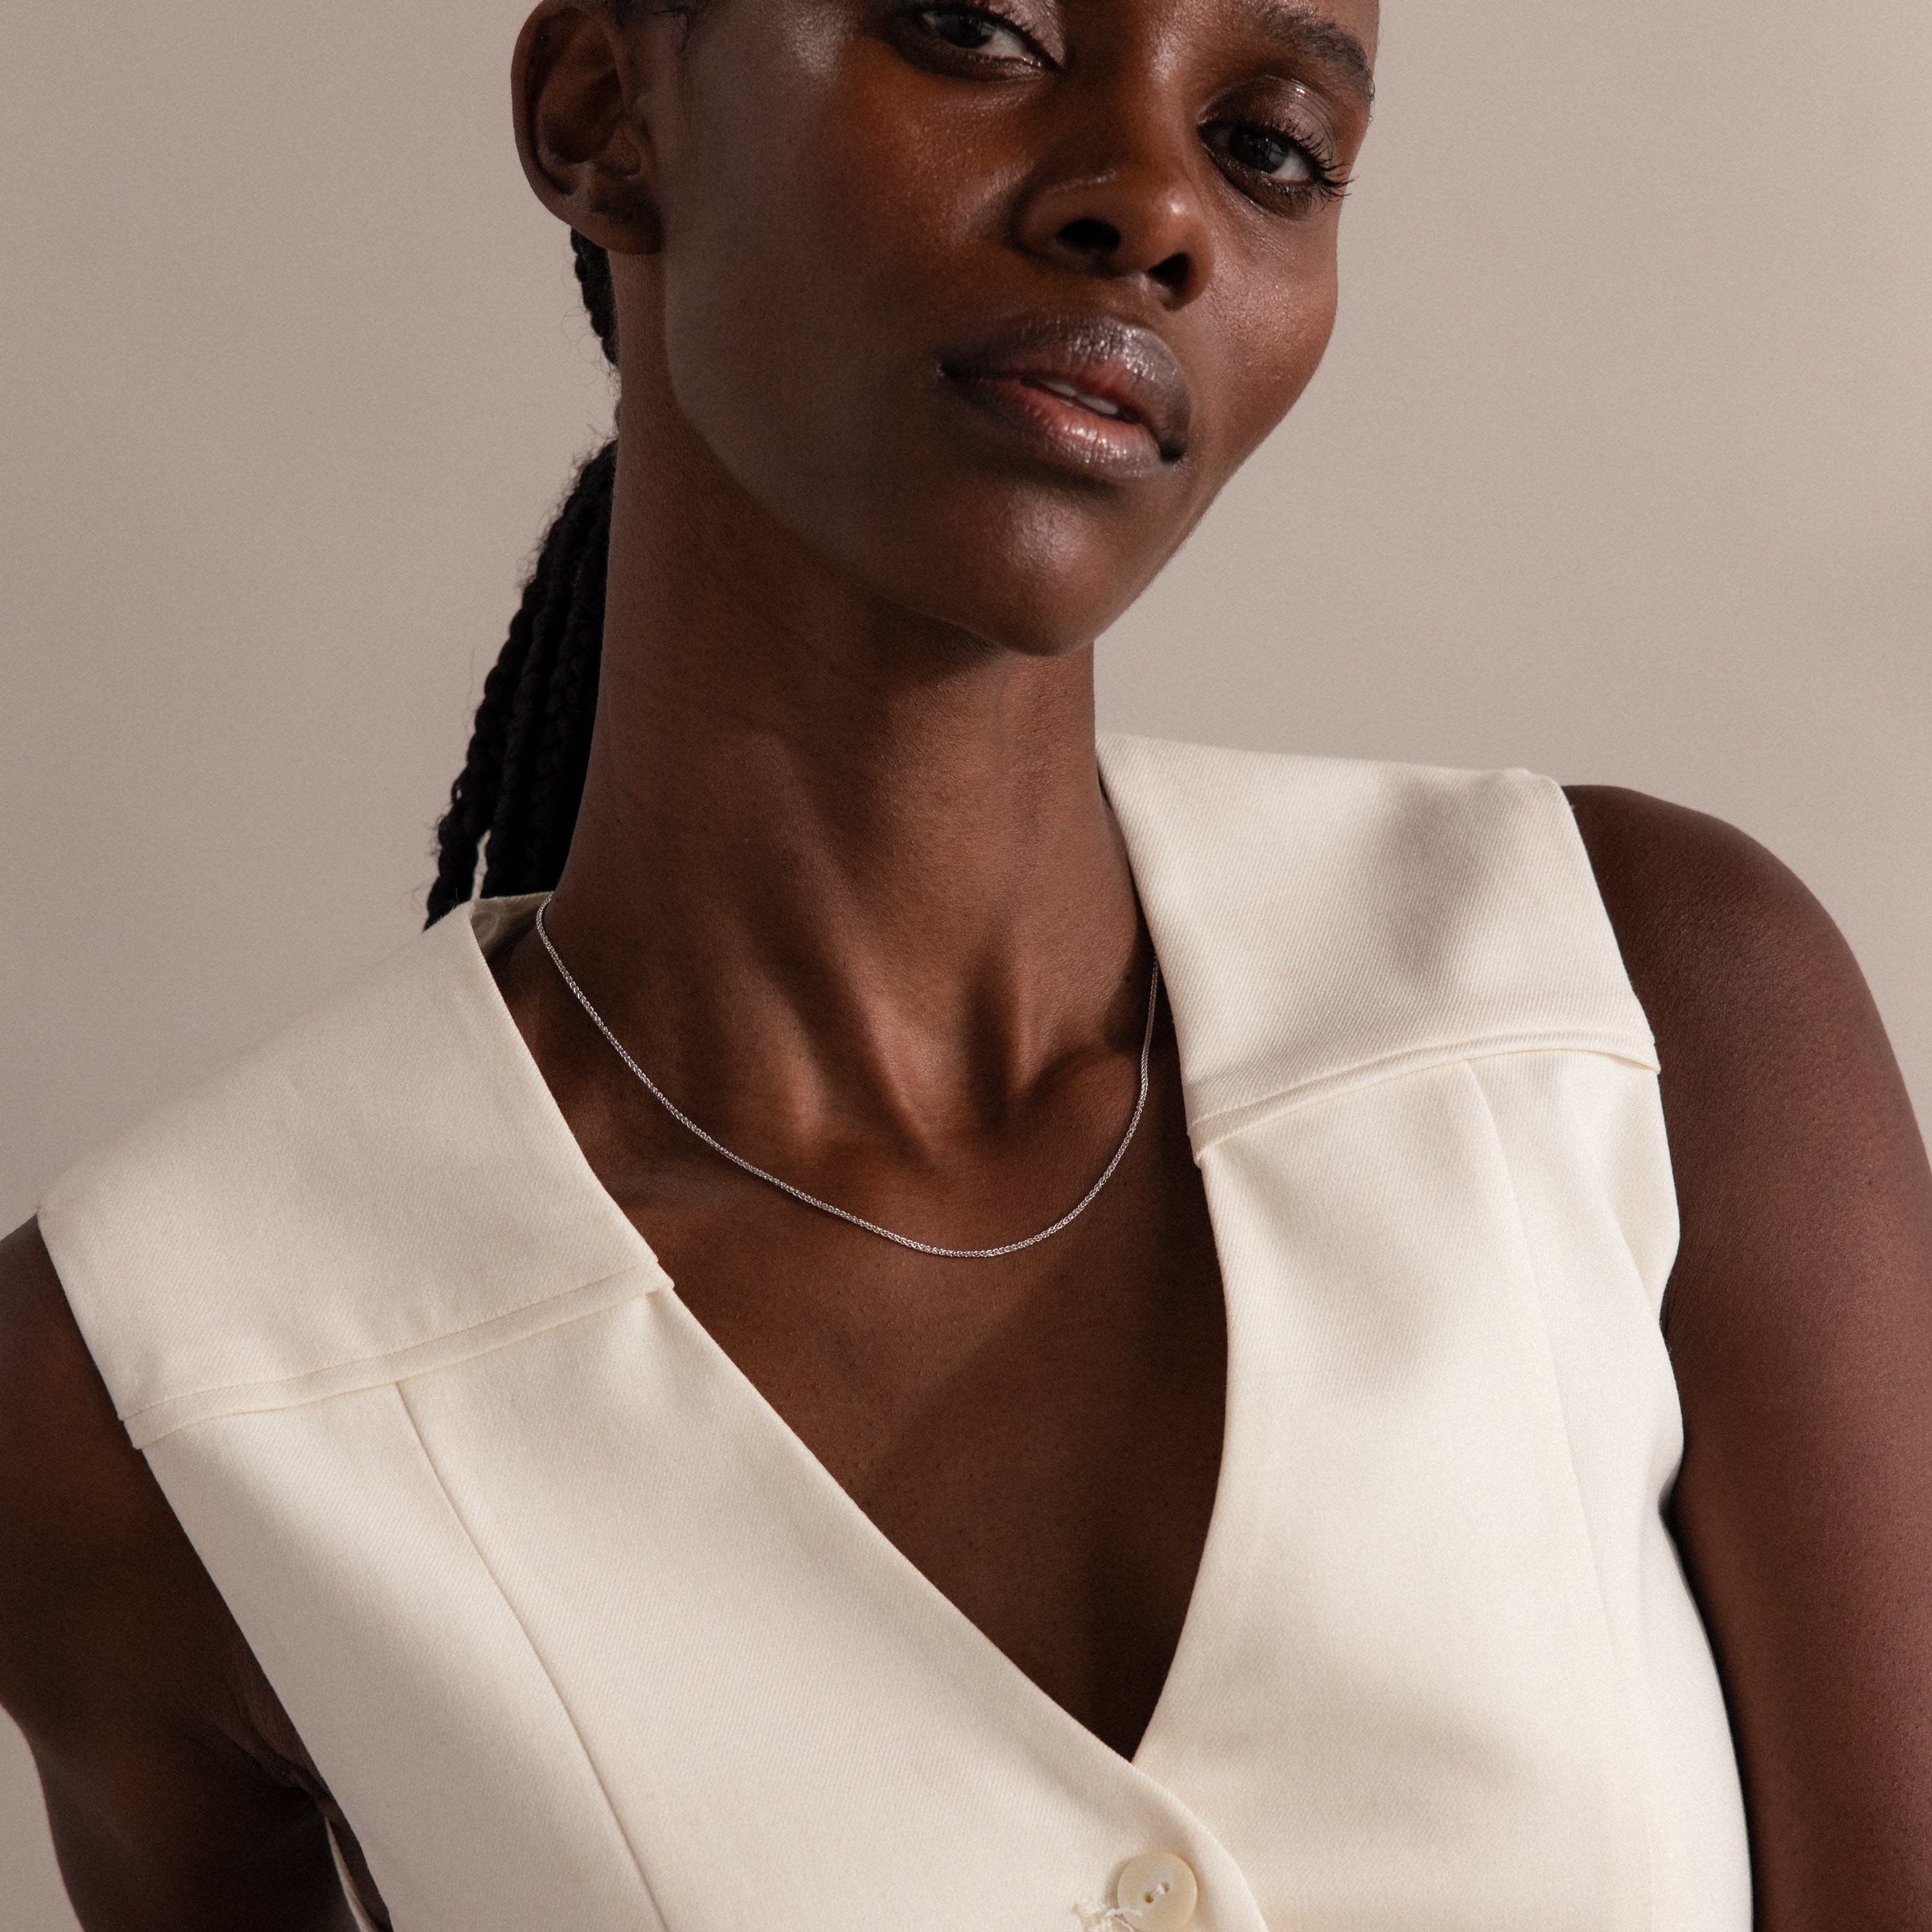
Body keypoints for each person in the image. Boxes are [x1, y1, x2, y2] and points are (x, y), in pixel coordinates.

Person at [3, 1, 1929, 1926]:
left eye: (1267, 143)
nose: (1152, 204)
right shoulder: (145, 1396)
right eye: (979, 28)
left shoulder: (1642, 1022)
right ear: (604, 107)